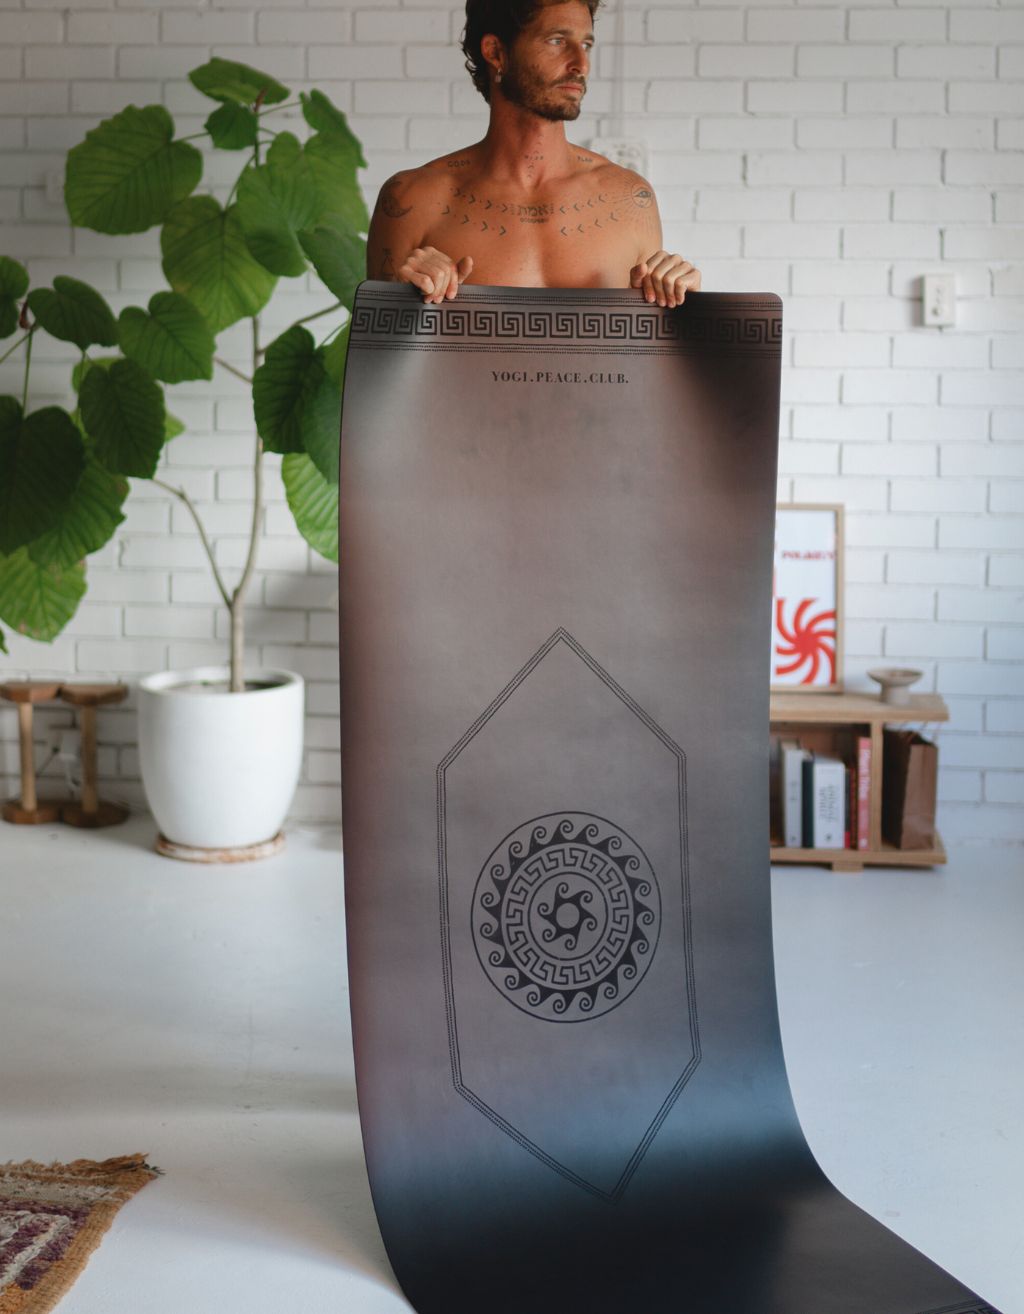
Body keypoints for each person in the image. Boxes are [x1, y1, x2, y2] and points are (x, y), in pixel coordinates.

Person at [366, 0, 701, 308]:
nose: (581, 64)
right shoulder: (413, 200)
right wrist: (404, 299)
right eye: (557, 41)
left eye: (586, 45)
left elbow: (648, 347)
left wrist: (685, 306)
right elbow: (379, 350)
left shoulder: (630, 198)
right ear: (496, 52)